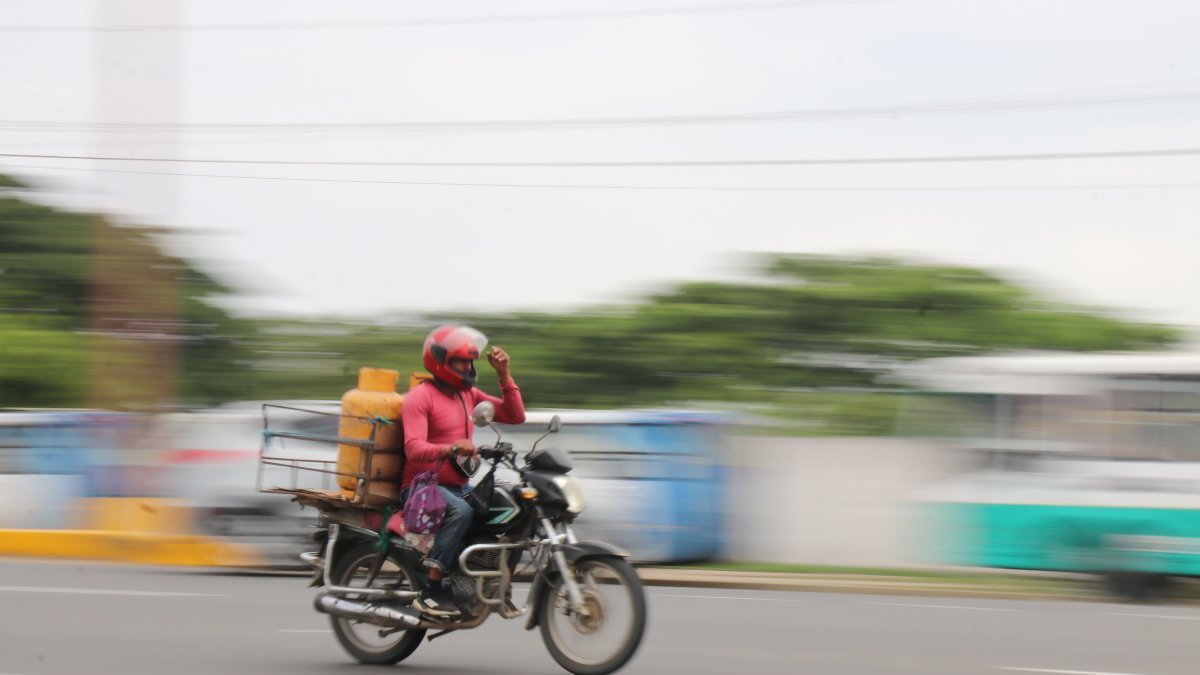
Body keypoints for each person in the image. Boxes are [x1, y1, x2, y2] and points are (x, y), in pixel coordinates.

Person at [402, 324, 526, 616]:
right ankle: (430, 590)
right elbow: (413, 447)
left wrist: (503, 374)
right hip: (422, 488)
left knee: (514, 508)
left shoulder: (467, 395)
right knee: (462, 511)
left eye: (471, 361)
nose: (468, 367)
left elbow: (515, 415)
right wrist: (450, 448)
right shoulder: (421, 397)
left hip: (458, 486)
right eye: (461, 361)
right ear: (440, 360)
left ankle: (495, 586)